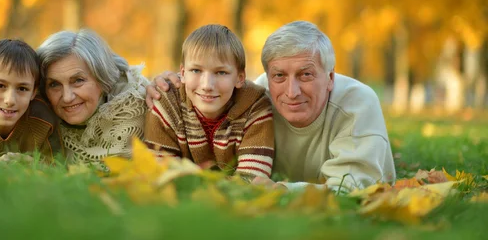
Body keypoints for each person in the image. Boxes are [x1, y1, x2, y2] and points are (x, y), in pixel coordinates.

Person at [147, 21, 396, 192]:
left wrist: (277, 190)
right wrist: (169, 86)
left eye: (306, 75)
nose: (292, 92)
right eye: (279, 76)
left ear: (330, 78)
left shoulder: (358, 103)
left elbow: (352, 188)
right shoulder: (258, 98)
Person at [145, 24, 274, 179]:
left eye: (221, 72)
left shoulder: (256, 107)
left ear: (240, 78)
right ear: (183, 73)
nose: (207, 85)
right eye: (196, 70)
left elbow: (252, 181)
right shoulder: (167, 102)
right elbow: (159, 176)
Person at [36, 29, 149, 166]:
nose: (67, 97)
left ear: (102, 78)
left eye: (78, 80)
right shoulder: (39, 111)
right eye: (54, 84)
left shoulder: (132, 106)